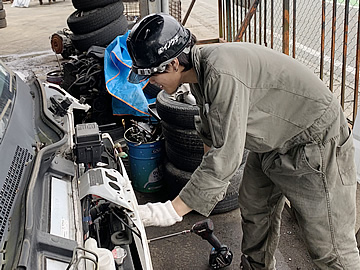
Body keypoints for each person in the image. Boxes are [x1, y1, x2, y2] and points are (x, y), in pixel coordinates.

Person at [126, 13, 360, 269]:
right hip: (274, 138)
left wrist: (170, 211)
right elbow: (213, 133)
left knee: (328, 246)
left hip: (315, 141)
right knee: (255, 205)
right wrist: (209, 176)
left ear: (172, 65)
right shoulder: (199, 72)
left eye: (150, 75)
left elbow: (226, 155)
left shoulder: (220, 73)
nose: (149, 83)